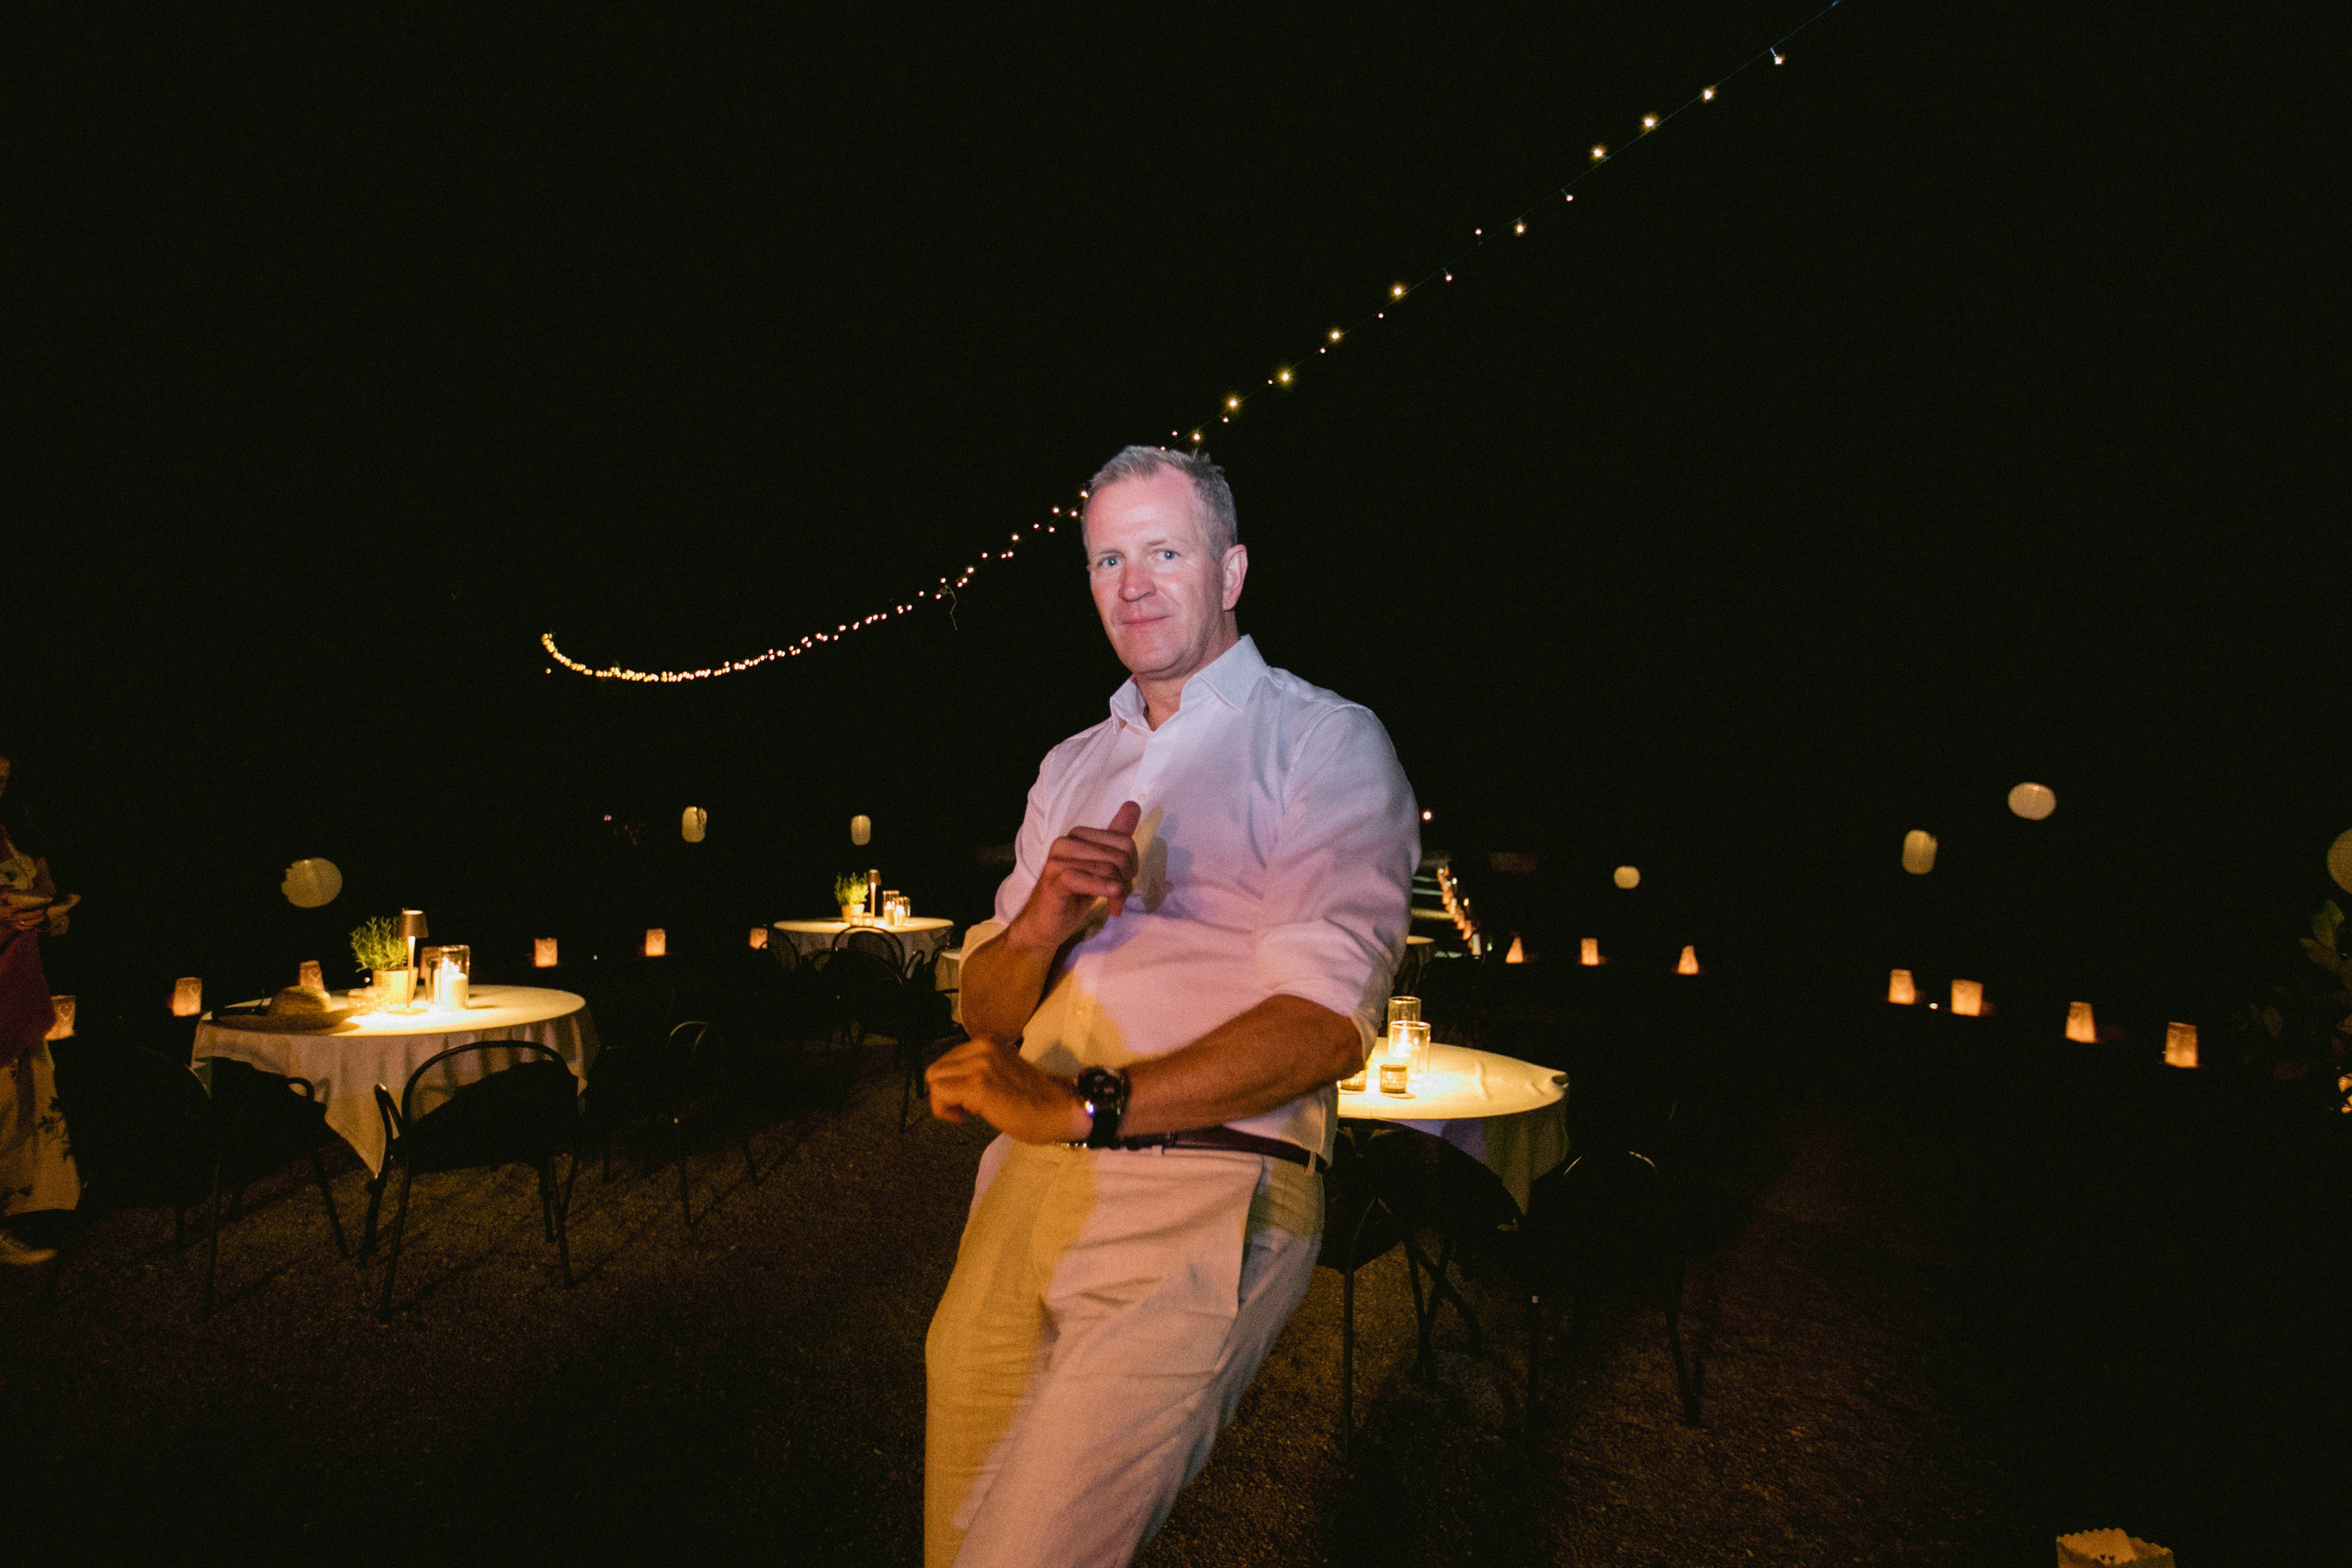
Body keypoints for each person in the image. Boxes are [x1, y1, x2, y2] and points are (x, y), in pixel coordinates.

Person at [922, 446, 1418, 1565]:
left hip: (1206, 1181)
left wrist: (1081, 1107)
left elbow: (1324, 1023)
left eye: (1163, 553)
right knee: (955, 1548)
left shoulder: (1323, 740)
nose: (1132, 585)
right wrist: (1038, 924)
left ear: (1230, 571)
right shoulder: (1071, 763)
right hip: (1023, 1187)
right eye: (1107, 560)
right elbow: (984, 1012)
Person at [0, 750, 80, 1266]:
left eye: (5, 776)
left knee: (25, 1106)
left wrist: (52, 917)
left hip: (18, 987)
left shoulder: (15, 832)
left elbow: (42, 893)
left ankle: (17, 1212)